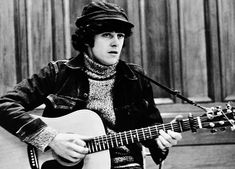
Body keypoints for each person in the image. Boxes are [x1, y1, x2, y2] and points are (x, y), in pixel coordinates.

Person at [0, 1, 182, 169]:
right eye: (107, 35)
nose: (115, 42)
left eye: (120, 36)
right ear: (87, 39)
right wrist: (52, 139)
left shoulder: (135, 78)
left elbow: (152, 134)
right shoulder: (58, 73)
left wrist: (161, 143)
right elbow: (5, 105)